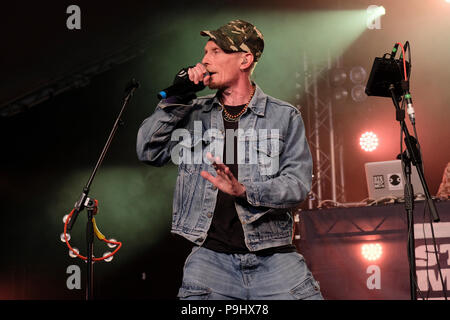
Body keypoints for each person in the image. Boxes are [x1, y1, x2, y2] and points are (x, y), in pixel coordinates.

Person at [136, 19, 323, 300]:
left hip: (274, 257)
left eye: (216, 52)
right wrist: (177, 97)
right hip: (210, 261)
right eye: (205, 52)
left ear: (245, 60)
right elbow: (149, 151)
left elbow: (297, 184)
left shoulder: (284, 116)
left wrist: (245, 191)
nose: (205, 60)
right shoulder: (191, 111)